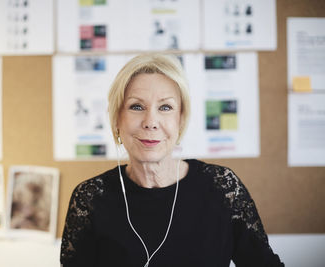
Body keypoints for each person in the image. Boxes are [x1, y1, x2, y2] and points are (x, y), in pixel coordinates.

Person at [60, 54, 284, 267]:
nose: (151, 122)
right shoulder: (90, 198)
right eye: (137, 107)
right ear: (117, 118)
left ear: (180, 120)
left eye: (165, 107)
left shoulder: (222, 188)